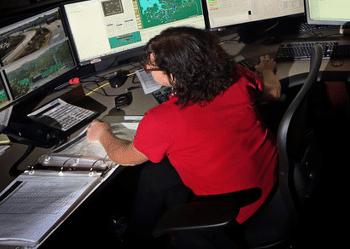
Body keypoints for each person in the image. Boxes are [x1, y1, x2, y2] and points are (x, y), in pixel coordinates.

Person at [86, 27, 284, 241]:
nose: (146, 68)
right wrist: (267, 70)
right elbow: (273, 93)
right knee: (154, 175)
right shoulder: (235, 74)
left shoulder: (162, 119)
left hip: (235, 209)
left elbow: (124, 157)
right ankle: (137, 236)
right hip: (271, 179)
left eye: (152, 66)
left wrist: (104, 133)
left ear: (177, 72)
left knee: (150, 171)